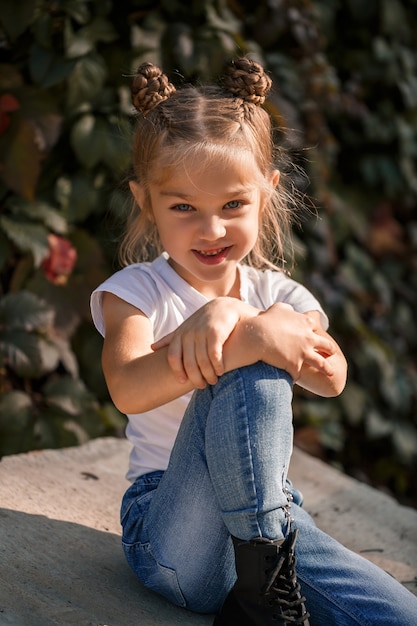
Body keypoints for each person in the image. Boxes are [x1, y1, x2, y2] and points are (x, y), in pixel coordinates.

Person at [90, 58, 417, 625]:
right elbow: (126, 388)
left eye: (232, 205)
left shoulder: (280, 293)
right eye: (183, 207)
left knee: (396, 614)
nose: (211, 230)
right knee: (256, 366)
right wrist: (254, 334)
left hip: (274, 523)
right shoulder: (137, 291)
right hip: (173, 533)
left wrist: (233, 312)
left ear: (266, 192)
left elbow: (332, 376)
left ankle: (262, 586)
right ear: (145, 201)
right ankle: (261, 584)